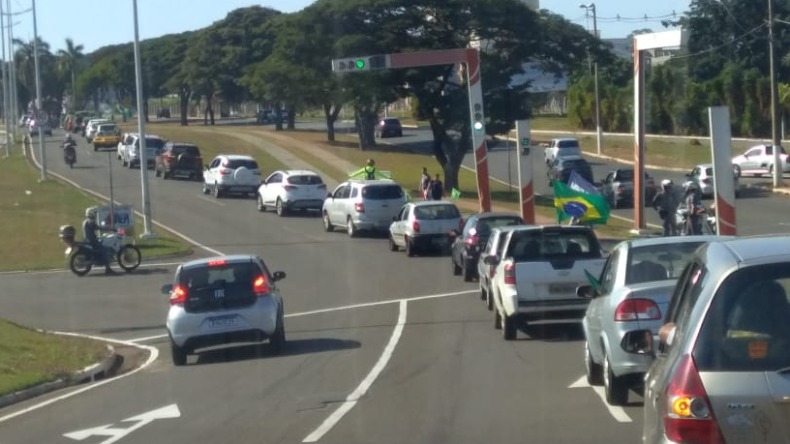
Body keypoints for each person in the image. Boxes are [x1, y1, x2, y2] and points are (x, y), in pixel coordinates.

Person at [82, 208, 114, 274]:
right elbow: (99, 228)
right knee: (106, 250)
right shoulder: (91, 222)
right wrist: (110, 229)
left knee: (102, 244)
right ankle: (108, 269)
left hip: (88, 240)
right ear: (91, 213)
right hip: (92, 241)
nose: (95, 215)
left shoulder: (85, 221)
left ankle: (101, 262)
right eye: (95, 213)